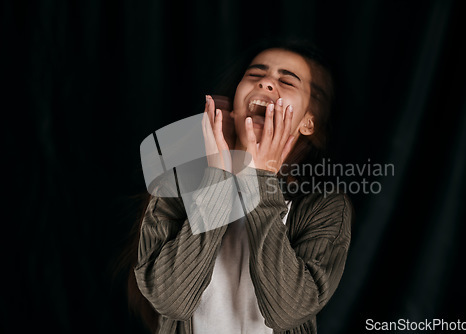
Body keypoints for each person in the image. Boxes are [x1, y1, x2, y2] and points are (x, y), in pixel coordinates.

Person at [125, 38, 352, 334]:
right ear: (234, 105)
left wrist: (263, 180)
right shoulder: (175, 185)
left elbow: (287, 312)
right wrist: (218, 177)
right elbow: (171, 301)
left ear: (308, 123)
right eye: (256, 75)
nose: (267, 83)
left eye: (287, 81)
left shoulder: (326, 207)